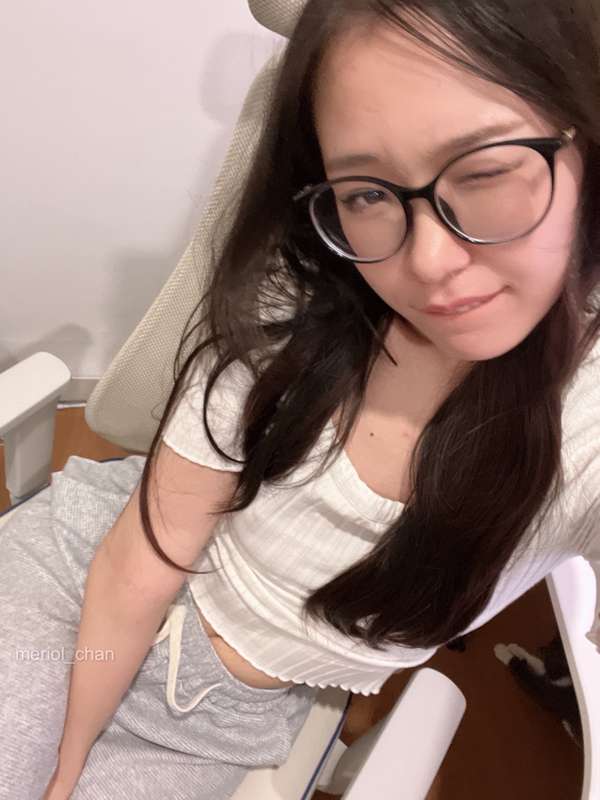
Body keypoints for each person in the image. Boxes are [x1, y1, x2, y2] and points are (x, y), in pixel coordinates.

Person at [2, 0, 599, 797]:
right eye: (367, 194)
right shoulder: (306, 298)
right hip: (84, 582)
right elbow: (143, 555)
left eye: (486, 170)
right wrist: (64, 762)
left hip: (219, 720)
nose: (429, 260)